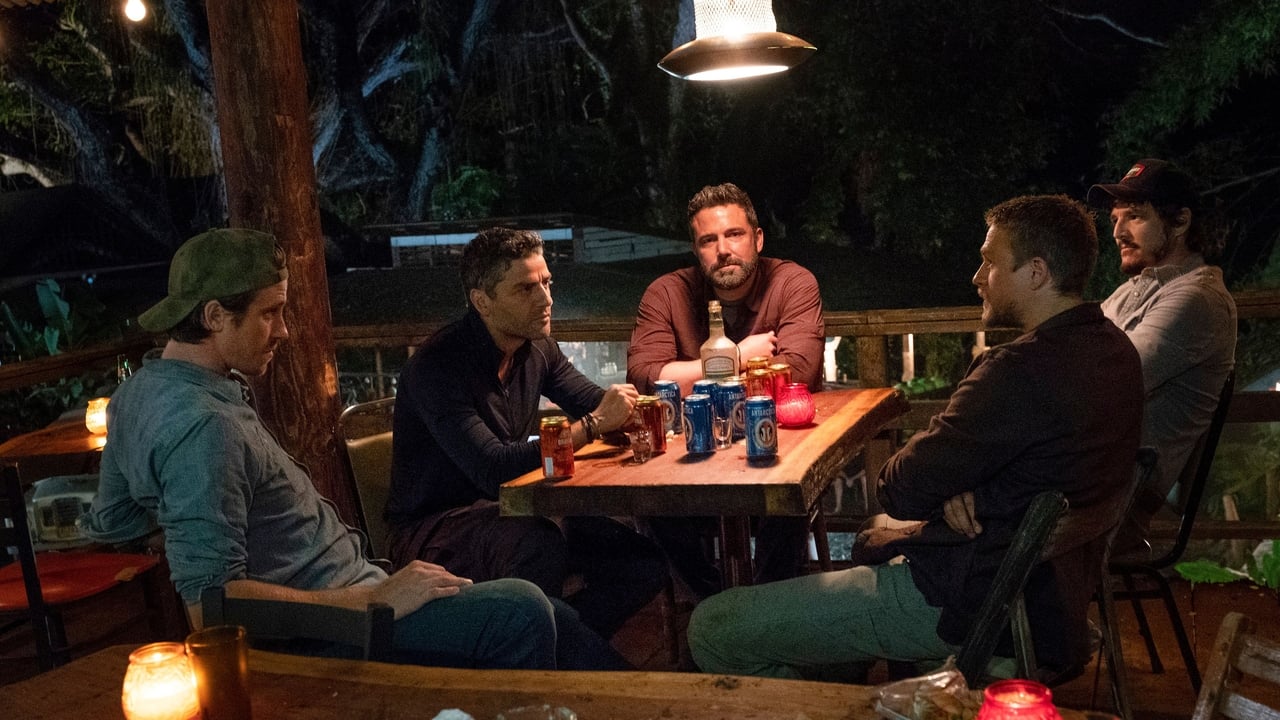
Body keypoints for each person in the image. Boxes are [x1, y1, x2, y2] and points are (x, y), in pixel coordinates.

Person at [80, 228, 618, 671]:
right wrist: (371, 600)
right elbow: (211, 608)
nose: (284, 331)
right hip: (335, 627)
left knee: (555, 616)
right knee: (523, 609)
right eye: (270, 313)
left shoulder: (137, 395)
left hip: (357, 584)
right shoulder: (205, 427)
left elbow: (115, 523)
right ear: (215, 315)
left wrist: (184, 516)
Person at [687, 195, 1144, 680]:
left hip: (961, 603)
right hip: (1047, 602)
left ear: (1035, 273)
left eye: (989, 262)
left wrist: (949, 483)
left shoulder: (1017, 371)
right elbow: (1027, 464)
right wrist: (959, 486)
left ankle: (828, 703)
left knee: (711, 627)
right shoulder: (1115, 351)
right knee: (839, 599)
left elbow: (898, 490)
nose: (977, 277)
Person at [387, 227, 667, 644]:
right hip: (433, 529)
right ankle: (545, 657)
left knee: (641, 562)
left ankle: (558, 647)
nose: (546, 299)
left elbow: (596, 402)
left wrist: (638, 412)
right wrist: (593, 425)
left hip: (512, 510)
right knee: (537, 542)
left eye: (546, 283)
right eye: (525, 289)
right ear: (482, 301)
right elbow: (493, 468)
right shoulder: (437, 366)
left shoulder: (537, 349)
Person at [626, 182, 825, 597]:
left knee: (788, 490)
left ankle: (766, 608)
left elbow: (798, 373)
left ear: (757, 239)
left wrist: (688, 376)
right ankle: (714, 603)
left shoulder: (793, 282)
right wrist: (737, 356)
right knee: (649, 498)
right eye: (708, 240)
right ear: (696, 249)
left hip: (774, 452)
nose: (723, 250)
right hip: (690, 463)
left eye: (734, 234)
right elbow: (645, 377)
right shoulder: (666, 293)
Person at [1087, 158, 1236, 550]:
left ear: (1181, 221)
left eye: (1134, 216)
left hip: (1113, 501)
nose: (1117, 232)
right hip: (1083, 481)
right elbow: (1073, 359)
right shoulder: (1132, 291)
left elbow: (1102, 381)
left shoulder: (1197, 300)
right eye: (1115, 219)